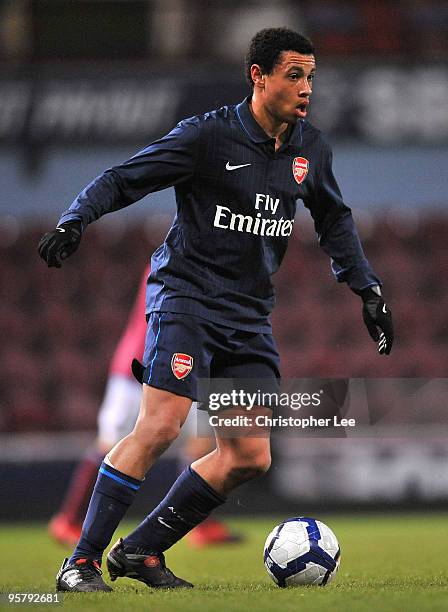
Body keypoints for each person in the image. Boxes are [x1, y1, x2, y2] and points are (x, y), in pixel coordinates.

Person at [38, 27, 394, 592]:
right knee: (160, 424)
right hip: (187, 297)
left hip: (248, 315)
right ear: (259, 76)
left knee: (249, 455)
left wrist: (368, 291)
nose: (306, 88)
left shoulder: (310, 149)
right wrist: (75, 218)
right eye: (294, 75)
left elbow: (334, 222)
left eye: (311, 77)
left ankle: (141, 553)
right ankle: (79, 562)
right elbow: (125, 178)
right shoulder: (206, 136)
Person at [48, 265, 241, 549]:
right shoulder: (171, 261)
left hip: (193, 367)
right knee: (111, 445)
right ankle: (68, 520)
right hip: (139, 367)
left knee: (201, 447)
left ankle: (200, 524)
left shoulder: (211, 262)